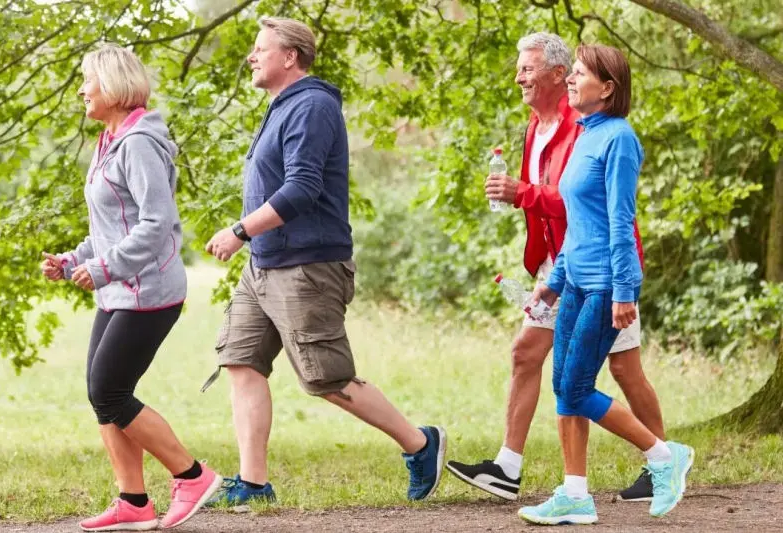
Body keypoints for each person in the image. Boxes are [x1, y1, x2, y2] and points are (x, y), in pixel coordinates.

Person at [201, 16, 446, 506]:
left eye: (260, 48)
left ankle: (420, 444)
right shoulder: (281, 107)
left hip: (306, 266)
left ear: (290, 56)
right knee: (241, 361)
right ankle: (253, 483)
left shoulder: (311, 105)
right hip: (265, 264)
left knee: (326, 379)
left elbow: (302, 187)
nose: (251, 57)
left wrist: (239, 230)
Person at [447, 32, 664, 503]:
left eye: (528, 68)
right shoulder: (535, 126)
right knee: (529, 355)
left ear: (557, 74)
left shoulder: (586, 127)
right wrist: (548, 269)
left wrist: (521, 192)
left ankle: (661, 460)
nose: (519, 76)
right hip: (561, 264)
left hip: (601, 266)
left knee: (622, 370)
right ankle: (515, 468)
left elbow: (585, 207)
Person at [40, 45, 222, 531]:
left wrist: (103, 268)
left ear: (115, 87)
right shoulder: (110, 139)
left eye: (89, 81)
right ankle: (134, 501)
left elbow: (157, 224)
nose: (82, 90)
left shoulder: (140, 142)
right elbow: (110, 225)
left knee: (110, 391)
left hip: (149, 290)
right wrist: (74, 259)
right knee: (103, 393)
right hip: (121, 289)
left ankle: (192, 476)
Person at [516, 44, 694, 525]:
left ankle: (663, 456)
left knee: (574, 389)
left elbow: (621, 222)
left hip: (603, 287)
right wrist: (553, 283)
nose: (570, 81)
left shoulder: (618, 139)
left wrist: (624, 291)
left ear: (608, 87)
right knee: (562, 386)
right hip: (576, 283)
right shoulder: (585, 135)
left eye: (579, 74)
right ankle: (575, 494)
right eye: (570, 73)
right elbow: (580, 224)